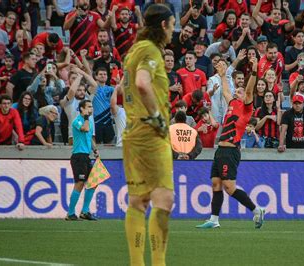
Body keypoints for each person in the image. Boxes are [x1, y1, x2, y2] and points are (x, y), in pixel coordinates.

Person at [121, 5, 175, 265]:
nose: (173, 30)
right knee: (164, 199)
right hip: (151, 132)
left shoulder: (133, 50)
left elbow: (126, 86)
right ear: (163, 25)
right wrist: (156, 116)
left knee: (138, 201)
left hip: (132, 132)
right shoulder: (151, 51)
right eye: (172, 25)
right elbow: (142, 82)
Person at [196, 57, 265, 229]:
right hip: (220, 150)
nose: (236, 93)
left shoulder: (247, 108)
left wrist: (255, 71)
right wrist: (221, 75)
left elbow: (249, 91)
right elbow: (226, 90)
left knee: (229, 186)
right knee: (216, 183)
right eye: (237, 92)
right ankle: (214, 219)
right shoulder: (233, 104)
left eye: (239, 92)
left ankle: (256, 210)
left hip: (231, 151)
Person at [65, 99, 99, 221]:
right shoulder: (77, 121)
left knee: (93, 183)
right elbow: (84, 129)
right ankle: (70, 213)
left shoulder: (88, 121)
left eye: (91, 107)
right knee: (79, 183)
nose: (91, 109)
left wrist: (95, 149)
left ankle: (85, 211)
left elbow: (89, 137)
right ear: (82, 109)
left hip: (86, 156)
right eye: (89, 107)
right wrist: (85, 118)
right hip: (78, 156)